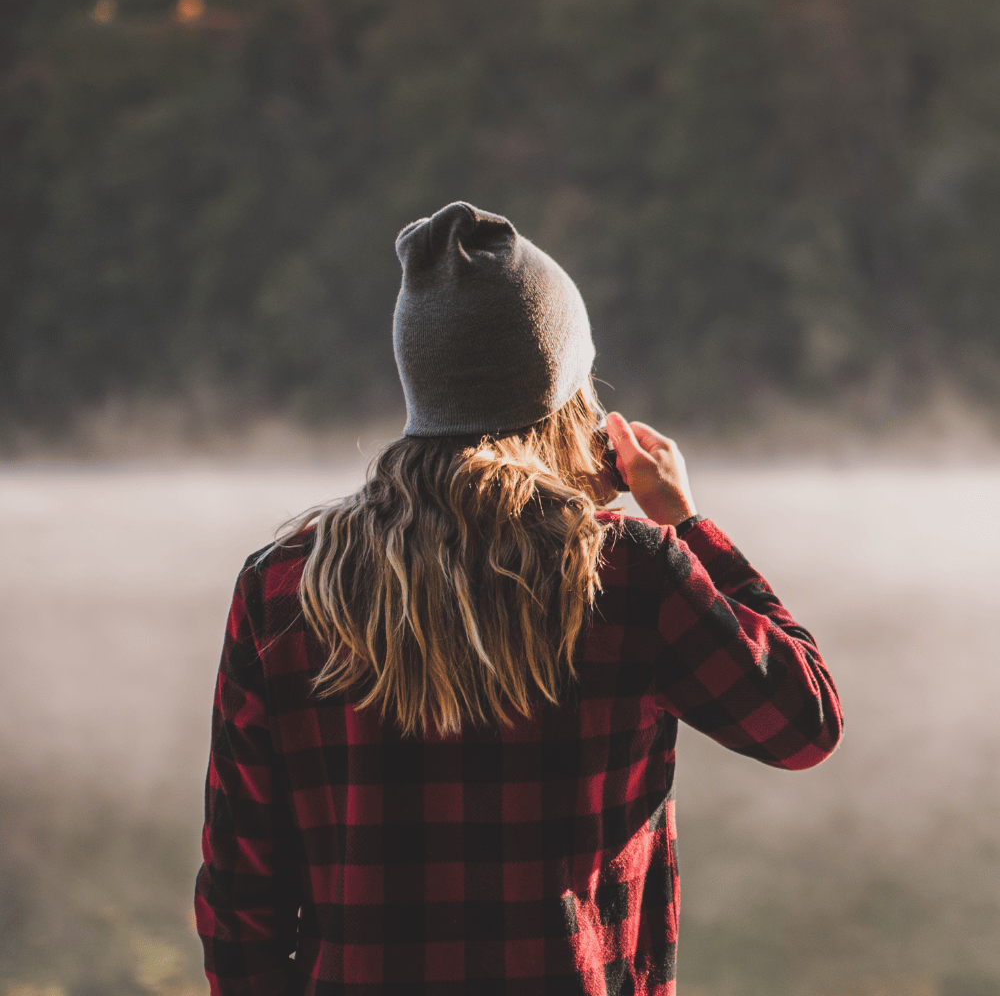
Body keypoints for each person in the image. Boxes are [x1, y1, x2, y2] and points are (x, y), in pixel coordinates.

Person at [195, 201, 843, 995]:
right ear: (563, 396)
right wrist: (687, 525)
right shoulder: (630, 572)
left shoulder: (283, 587)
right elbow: (805, 724)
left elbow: (242, 897)